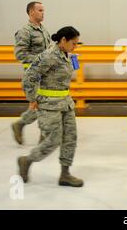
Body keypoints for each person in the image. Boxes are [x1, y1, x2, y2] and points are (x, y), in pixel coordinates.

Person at [17, 26, 83, 187]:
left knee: (70, 139)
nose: (75, 46)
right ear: (63, 40)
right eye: (73, 43)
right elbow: (29, 77)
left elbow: (71, 70)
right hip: (49, 105)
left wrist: (73, 57)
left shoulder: (67, 54)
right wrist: (32, 98)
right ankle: (27, 160)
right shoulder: (48, 56)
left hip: (66, 104)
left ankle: (65, 174)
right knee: (53, 140)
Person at [11, 1, 51, 145]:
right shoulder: (25, 32)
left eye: (43, 10)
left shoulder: (44, 30)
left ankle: (21, 125)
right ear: (31, 12)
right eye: (40, 10)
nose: (43, 13)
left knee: (44, 104)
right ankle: (43, 136)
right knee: (41, 105)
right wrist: (42, 59)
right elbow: (20, 55)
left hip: (46, 74)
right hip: (33, 75)